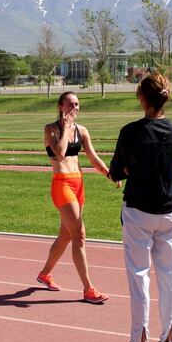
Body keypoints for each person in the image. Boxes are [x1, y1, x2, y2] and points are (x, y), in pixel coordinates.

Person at [109, 72, 172, 342]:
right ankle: (168, 341)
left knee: (140, 277)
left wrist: (127, 170)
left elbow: (116, 170)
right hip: (169, 213)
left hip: (139, 211)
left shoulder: (131, 132)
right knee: (168, 278)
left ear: (142, 98)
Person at [37, 91, 115, 304]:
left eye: (77, 105)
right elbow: (60, 153)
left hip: (78, 184)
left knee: (66, 236)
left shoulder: (82, 131)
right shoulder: (51, 129)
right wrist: (65, 127)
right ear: (61, 106)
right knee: (79, 234)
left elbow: (92, 156)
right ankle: (88, 289)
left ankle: (44, 274)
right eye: (70, 105)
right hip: (62, 184)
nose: (75, 108)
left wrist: (109, 173)